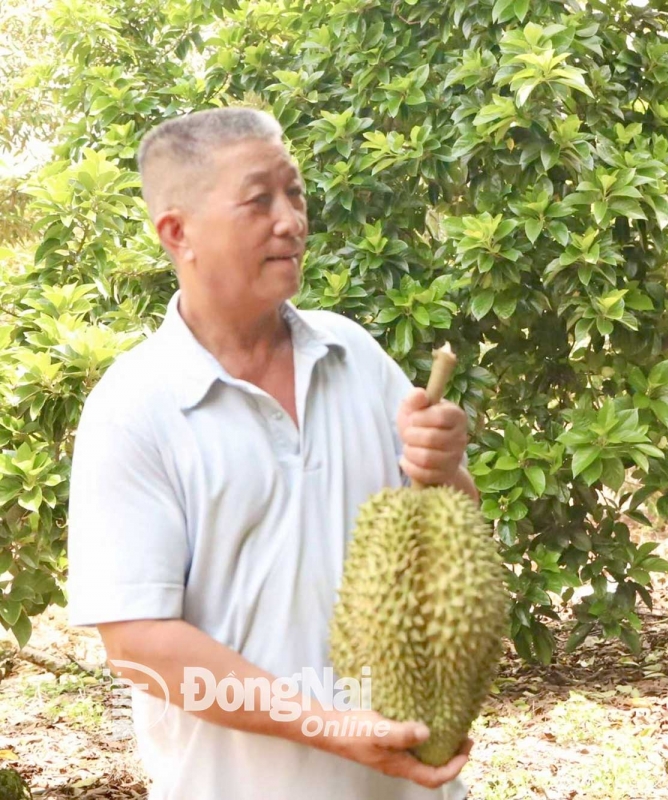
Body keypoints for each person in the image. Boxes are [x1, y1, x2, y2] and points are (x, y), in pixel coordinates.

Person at [66, 107, 480, 799]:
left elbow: (449, 538)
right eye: (259, 200)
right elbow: (137, 646)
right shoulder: (133, 408)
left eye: (295, 195)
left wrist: (444, 469)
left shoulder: (353, 354)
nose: (291, 221)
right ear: (178, 233)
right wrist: (328, 725)